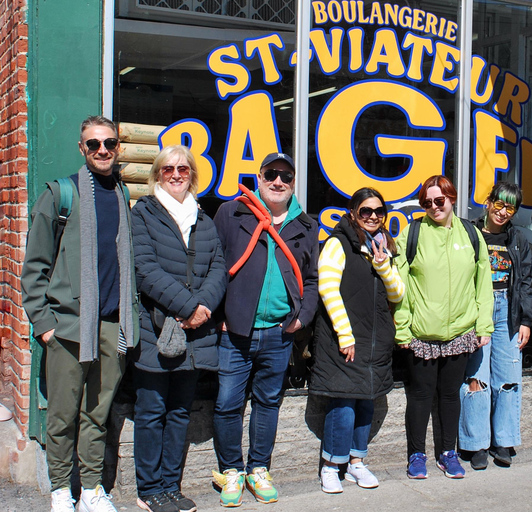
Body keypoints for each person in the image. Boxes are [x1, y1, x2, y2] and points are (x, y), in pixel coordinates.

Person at [21, 116, 139, 512]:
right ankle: (60, 488)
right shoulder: (60, 195)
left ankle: (91, 489)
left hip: (112, 325)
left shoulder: (122, 194)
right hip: (69, 327)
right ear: (82, 149)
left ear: (118, 147)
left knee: (97, 414)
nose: (102, 150)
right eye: (94, 145)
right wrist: (45, 326)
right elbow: (34, 266)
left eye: (109, 143)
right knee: (61, 416)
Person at [212, 152, 319, 506]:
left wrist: (302, 317)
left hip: (278, 333)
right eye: (271, 174)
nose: (278, 182)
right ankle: (231, 471)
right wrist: (219, 316)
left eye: (285, 177)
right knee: (228, 403)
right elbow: (213, 266)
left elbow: (313, 278)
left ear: (292, 185)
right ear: (259, 177)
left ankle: (258, 469)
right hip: (235, 332)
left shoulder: (305, 225)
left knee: (267, 404)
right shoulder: (232, 213)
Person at [130, 145, 227, 512]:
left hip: (195, 334)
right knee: (151, 410)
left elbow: (218, 267)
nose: (175, 174)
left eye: (183, 170)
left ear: (192, 176)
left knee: (180, 412)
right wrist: (189, 306)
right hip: (157, 329)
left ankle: (171, 486)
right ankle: (148, 489)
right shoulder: (143, 214)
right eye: (168, 169)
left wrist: (202, 309)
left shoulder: (203, 219)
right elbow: (144, 269)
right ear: (157, 175)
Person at [393, 175, 494, 480]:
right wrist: (402, 329)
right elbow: (401, 287)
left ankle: (447, 453)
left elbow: (483, 284)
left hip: (461, 332)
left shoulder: (472, 235)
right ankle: (416, 455)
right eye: (427, 202)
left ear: (451, 198)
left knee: (450, 395)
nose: (434, 207)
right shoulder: (412, 234)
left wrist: (483, 326)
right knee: (420, 396)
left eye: (439, 200)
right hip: (421, 334)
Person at [310, 188, 405, 494]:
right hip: (345, 339)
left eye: (379, 211)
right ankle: (331, 466)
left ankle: (355, 462)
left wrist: (382, 266)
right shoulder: (339, 243)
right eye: (366, 211)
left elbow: (398, 293)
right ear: (353, 213)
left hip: (374, 339)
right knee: (343, 403)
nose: (373, 216)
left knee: (366, 401)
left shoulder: (382, 246)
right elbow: (327, 288)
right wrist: (345, 334)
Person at [458, 182, 532, 470]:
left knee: (508, 375)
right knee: (476, 377)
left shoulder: (518, 239)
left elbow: (526, 281)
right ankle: (476, 443)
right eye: (499, 204)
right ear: (488, 202)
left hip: (508, 310)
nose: (503, 212)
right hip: (478, 308)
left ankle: (503, 440)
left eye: (510, 207)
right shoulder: (470, 233)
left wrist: (527, 320)